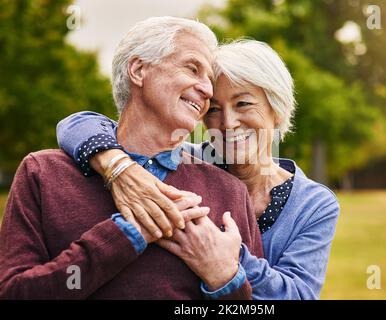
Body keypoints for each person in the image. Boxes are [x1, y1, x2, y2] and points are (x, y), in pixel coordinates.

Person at [0, 17, 263, 299]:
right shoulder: (44, 173)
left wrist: (225, 278)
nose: (208, 90)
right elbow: (14, 293)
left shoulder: (229, 191)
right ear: (139, 70)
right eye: (192, 68)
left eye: (209, 80)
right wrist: (124, 235)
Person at [56, 40, 340, 299]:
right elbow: (77, 123)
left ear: (276, 110)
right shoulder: (183, 160)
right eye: (214, 109)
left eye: (243, 103)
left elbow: (299, 295)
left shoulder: (314, 204)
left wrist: (225, 256)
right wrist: (118, 167)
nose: (228, 123)